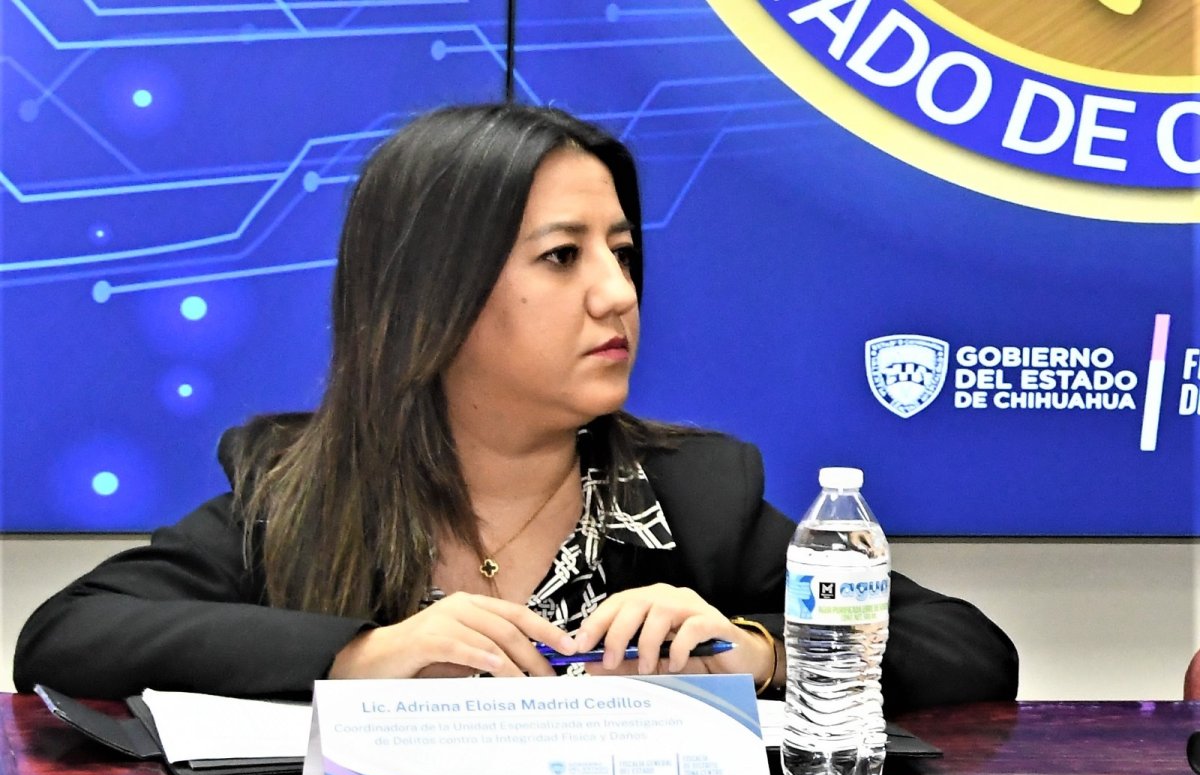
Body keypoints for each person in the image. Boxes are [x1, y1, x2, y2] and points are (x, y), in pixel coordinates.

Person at [13, 104, 1018, 712]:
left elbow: (970, 650)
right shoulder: (296, 487)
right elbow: (66, 636)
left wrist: (756, 651)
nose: (618, 294)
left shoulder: (688, 492)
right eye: (563, 256)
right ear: (431, 293)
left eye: (622, 253)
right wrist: (361, 656)